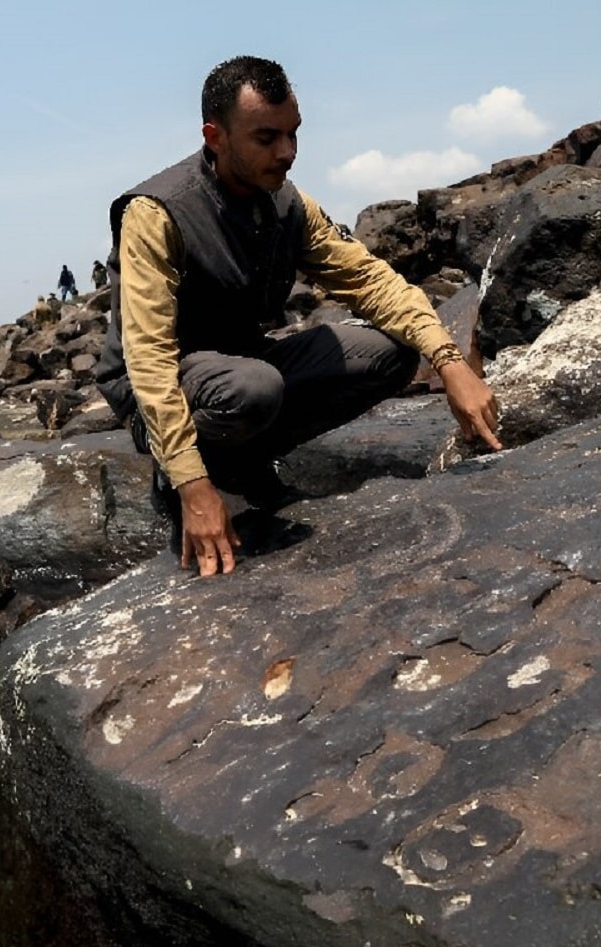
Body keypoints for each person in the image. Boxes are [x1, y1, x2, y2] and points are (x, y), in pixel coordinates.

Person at [95, 55, 501, 577]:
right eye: (266, 138)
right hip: (160, 380)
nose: (287, 153)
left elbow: (369, 280)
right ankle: (185, 468)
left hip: (239, 362)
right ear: (215, 136)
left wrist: (450, 363)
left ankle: (239, 465)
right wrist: (193, 487)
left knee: (390, 355)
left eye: (293, 134)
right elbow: (148, 356)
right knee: (253, 389)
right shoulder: (156, 213)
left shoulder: (287, 205)